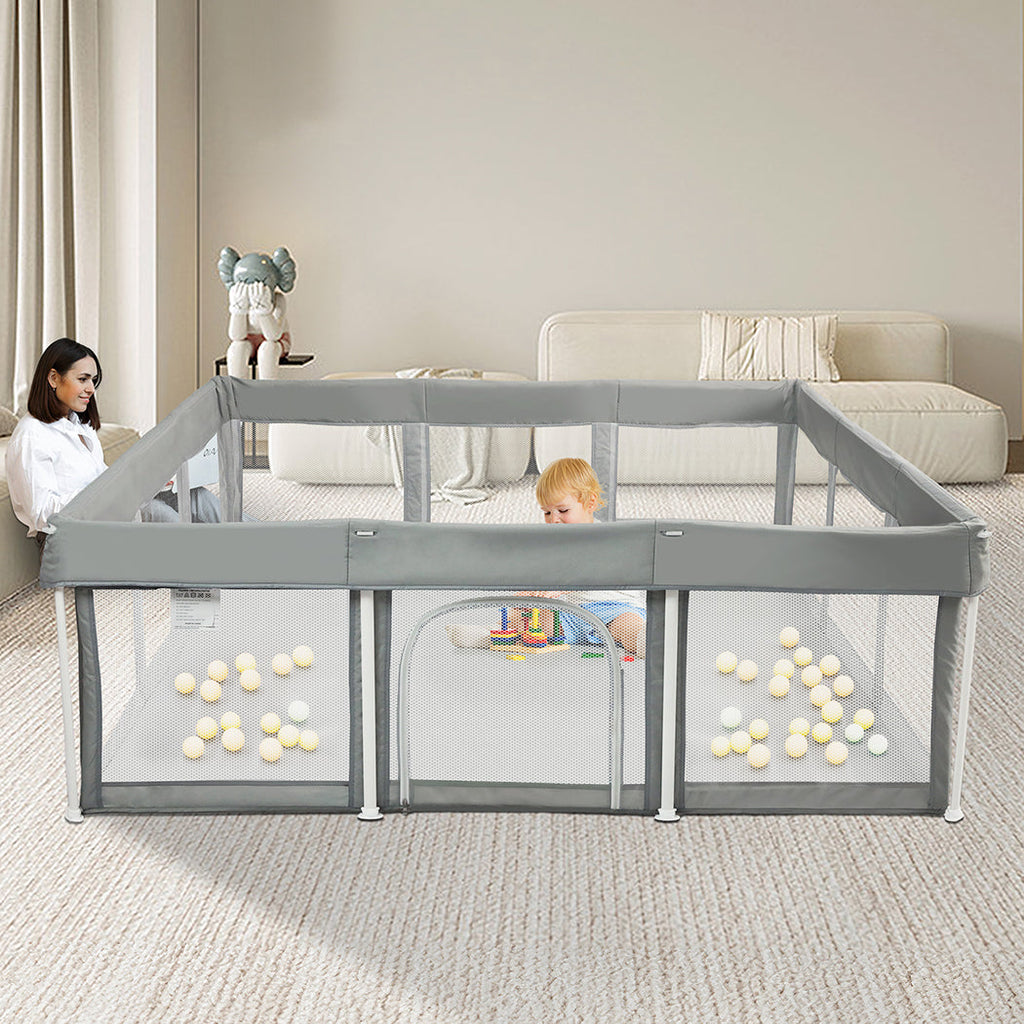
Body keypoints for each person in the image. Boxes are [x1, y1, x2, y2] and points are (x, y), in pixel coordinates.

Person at [5, 338, 219, 549]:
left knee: (193, 496)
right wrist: (109, 493)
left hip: (107, 514)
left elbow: (101, 479)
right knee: (155, 512)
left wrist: (147, 483)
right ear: (53, 378)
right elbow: (43, 514)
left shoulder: (78, 424)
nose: (91, 388)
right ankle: (206, 560)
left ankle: (239, 544)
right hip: (70, 538)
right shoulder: (32, 436)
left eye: (93, 380)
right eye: (83, 379)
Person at [510, 457, 646, 657]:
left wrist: (561, 585)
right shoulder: (552, 543)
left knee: (629, 627)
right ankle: (491, 635)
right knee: (520, 616)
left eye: (563, 510)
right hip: (571, 615)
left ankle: (645, 641)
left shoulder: (605, 538)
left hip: (614, 611)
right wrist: (532, 594)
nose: (554, 519)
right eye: (547, 512)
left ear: (590, 503)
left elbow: (591, 570)